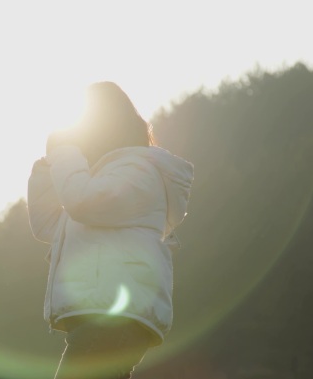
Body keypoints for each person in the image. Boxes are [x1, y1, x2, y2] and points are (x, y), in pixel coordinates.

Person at [27, 81, 194, 379]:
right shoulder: (102, 178)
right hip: (100, 316)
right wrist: (49, 163)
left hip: (114, 315)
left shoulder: (139, 170)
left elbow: (80, 202)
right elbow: (46, 224)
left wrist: (65, 153)